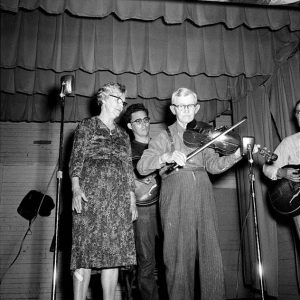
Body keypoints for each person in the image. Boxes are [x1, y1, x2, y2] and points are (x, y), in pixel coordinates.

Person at [137, 87, 242, 300]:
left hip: (203, 194)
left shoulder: (205, 135)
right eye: (181, 106)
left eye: (190, 106)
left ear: (197, 107)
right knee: (178, 257)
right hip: (176, 197)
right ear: (173, 109)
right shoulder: (163, 136)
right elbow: (142, 166)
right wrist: (165, 156)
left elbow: (213, 166)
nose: (186, 111)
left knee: (210, 253)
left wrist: (236, 156)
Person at [69, 83, 138, 300]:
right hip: (90, 198)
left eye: (123, 101)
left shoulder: (123, 135)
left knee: (113, 256)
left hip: (117, 201)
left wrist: (132, 200)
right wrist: (75, 189)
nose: (121, 104)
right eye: (118, 99)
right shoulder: (86, 126)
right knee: (84, 253)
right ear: (103, 98)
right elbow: (76, 159)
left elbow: (128, 168)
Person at [123, 103, 161, 300]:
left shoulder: (159, 145)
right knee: (146, 262)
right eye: (138, 121)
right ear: (130, 126)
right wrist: (136, 178)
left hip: (166, 205)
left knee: (172, 257)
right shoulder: (125, 150)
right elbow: (121, 179)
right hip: (143, 210)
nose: (144, 124)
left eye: (146, 119)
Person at [263, 100, 300, 238]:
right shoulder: (289, 142)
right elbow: (267, 167)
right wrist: (281, 172)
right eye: (298, 112)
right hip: (296, 201)